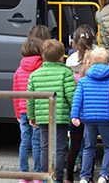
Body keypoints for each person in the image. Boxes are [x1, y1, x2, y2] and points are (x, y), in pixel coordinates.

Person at [70, 47, 109, 183]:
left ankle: (84, 176)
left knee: (89, 147)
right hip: (107, 119)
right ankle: (104, 175)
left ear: (91, 63)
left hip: (88, 119)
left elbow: (77, 99)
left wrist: (74, 116)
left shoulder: (83, 81)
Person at [27, 39, 76, 183]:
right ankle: (58, 178)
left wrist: (32, 116)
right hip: (60, 117)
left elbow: (30, 98)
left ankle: (45, 178)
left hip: (43, 117)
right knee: (60, 149)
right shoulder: (66, 73)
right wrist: (75, 113)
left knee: (45, 149)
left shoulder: (34, 75)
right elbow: (71, 96)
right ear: (62, 57)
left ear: (43, 56)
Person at [65, 25, 96, 183]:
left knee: (75, 146)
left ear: (75, 43)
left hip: (76, 110)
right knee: (90, 147)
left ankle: (69, 177)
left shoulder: (70, 62)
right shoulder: (97, 58)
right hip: (92, 110)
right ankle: (87, 177)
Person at [13, 38, 43, 183]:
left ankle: (23, 175)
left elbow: (16, 93)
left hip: (23, 111)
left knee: (24, 142)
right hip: (37, 110)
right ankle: (38, 175)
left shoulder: (19, 69)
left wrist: (18, 112)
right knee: (37, 142)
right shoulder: (41, 67)